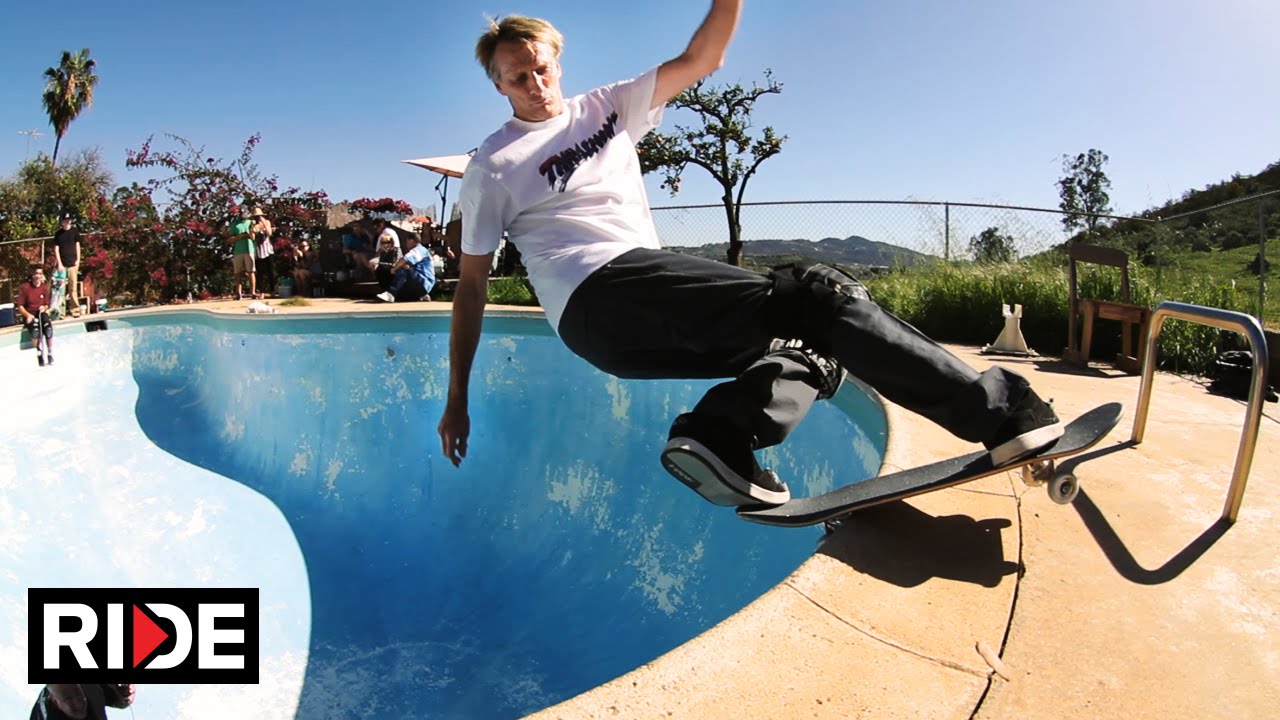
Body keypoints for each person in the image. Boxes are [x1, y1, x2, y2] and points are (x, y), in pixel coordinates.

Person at [438, 3, 1063, 507]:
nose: (536, 85)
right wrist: (457, 396)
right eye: (518, 78)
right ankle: (1001, 415)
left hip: (623, 331)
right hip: (597, 291)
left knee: (812, 348)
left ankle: (721, 435)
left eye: (542, 69)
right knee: (818, 297)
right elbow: (471, 286)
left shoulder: (605, 106)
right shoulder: (493, 165)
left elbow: (702, 57)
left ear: (558, 62)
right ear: (498, 85)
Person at [376, 232, 436, 303]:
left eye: (407, 242)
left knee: (403, 269)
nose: (406, 244)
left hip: (424, 282)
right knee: (382, 270)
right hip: (417, 282)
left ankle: (391, 293)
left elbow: (405, 259)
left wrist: (394, 269)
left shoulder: (419, 249)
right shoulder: (422, 250)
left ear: (411, 240)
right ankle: (421, 295)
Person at [30, 683, 135, 720]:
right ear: (55, 702)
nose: (77, 702)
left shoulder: (90, 688)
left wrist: (125, 695)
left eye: (77, 693)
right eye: (68, 699)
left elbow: (121, 700)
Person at [18, 266, 54, 366]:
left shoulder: (44, 287)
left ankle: (50, 353)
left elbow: (47, 304)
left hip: (40, 313)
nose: (38, 276)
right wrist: (28, 315)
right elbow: (20, 306)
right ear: (33, 275)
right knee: (35, 331)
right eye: (36, 274)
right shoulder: (26, 288)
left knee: (48, 329)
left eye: (40, 274)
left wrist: (44, 308)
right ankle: (39, 353)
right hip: (31, 314)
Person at [52, 215, 82, 317]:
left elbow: (77, 246)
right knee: (61, 289)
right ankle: (61, 312)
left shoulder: (74, 232)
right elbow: (56, 250)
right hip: (62, 266)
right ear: (62, 222)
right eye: (65, 220)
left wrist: (78, 260)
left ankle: (75, 310)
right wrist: (59, 263)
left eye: (69, 220)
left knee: (73, 288)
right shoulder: (58, 234)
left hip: (73, 264)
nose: (67, 222)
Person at [227, 207, 256, 300]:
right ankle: (238, 293)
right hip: (238, 251)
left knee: (251, 271)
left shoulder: (251, 223)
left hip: (249, 250)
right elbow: (229, 239)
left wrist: (251, 230)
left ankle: (253, 292)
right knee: (238, 273)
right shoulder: (234, 224)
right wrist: (239, 236)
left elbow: (253, 237)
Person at [251, 207, 275, 297]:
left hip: (267, 250)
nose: (258, 218)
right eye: (256, 216)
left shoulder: (267, 222)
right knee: (260, 273)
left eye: (259, 216)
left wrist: (264, 224)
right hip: (258, 251)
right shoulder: (253, 224)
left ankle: (272, 291)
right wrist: (254, 227)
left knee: (270, 272)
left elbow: (269, 233)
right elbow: (252, 237)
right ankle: (262, 292)